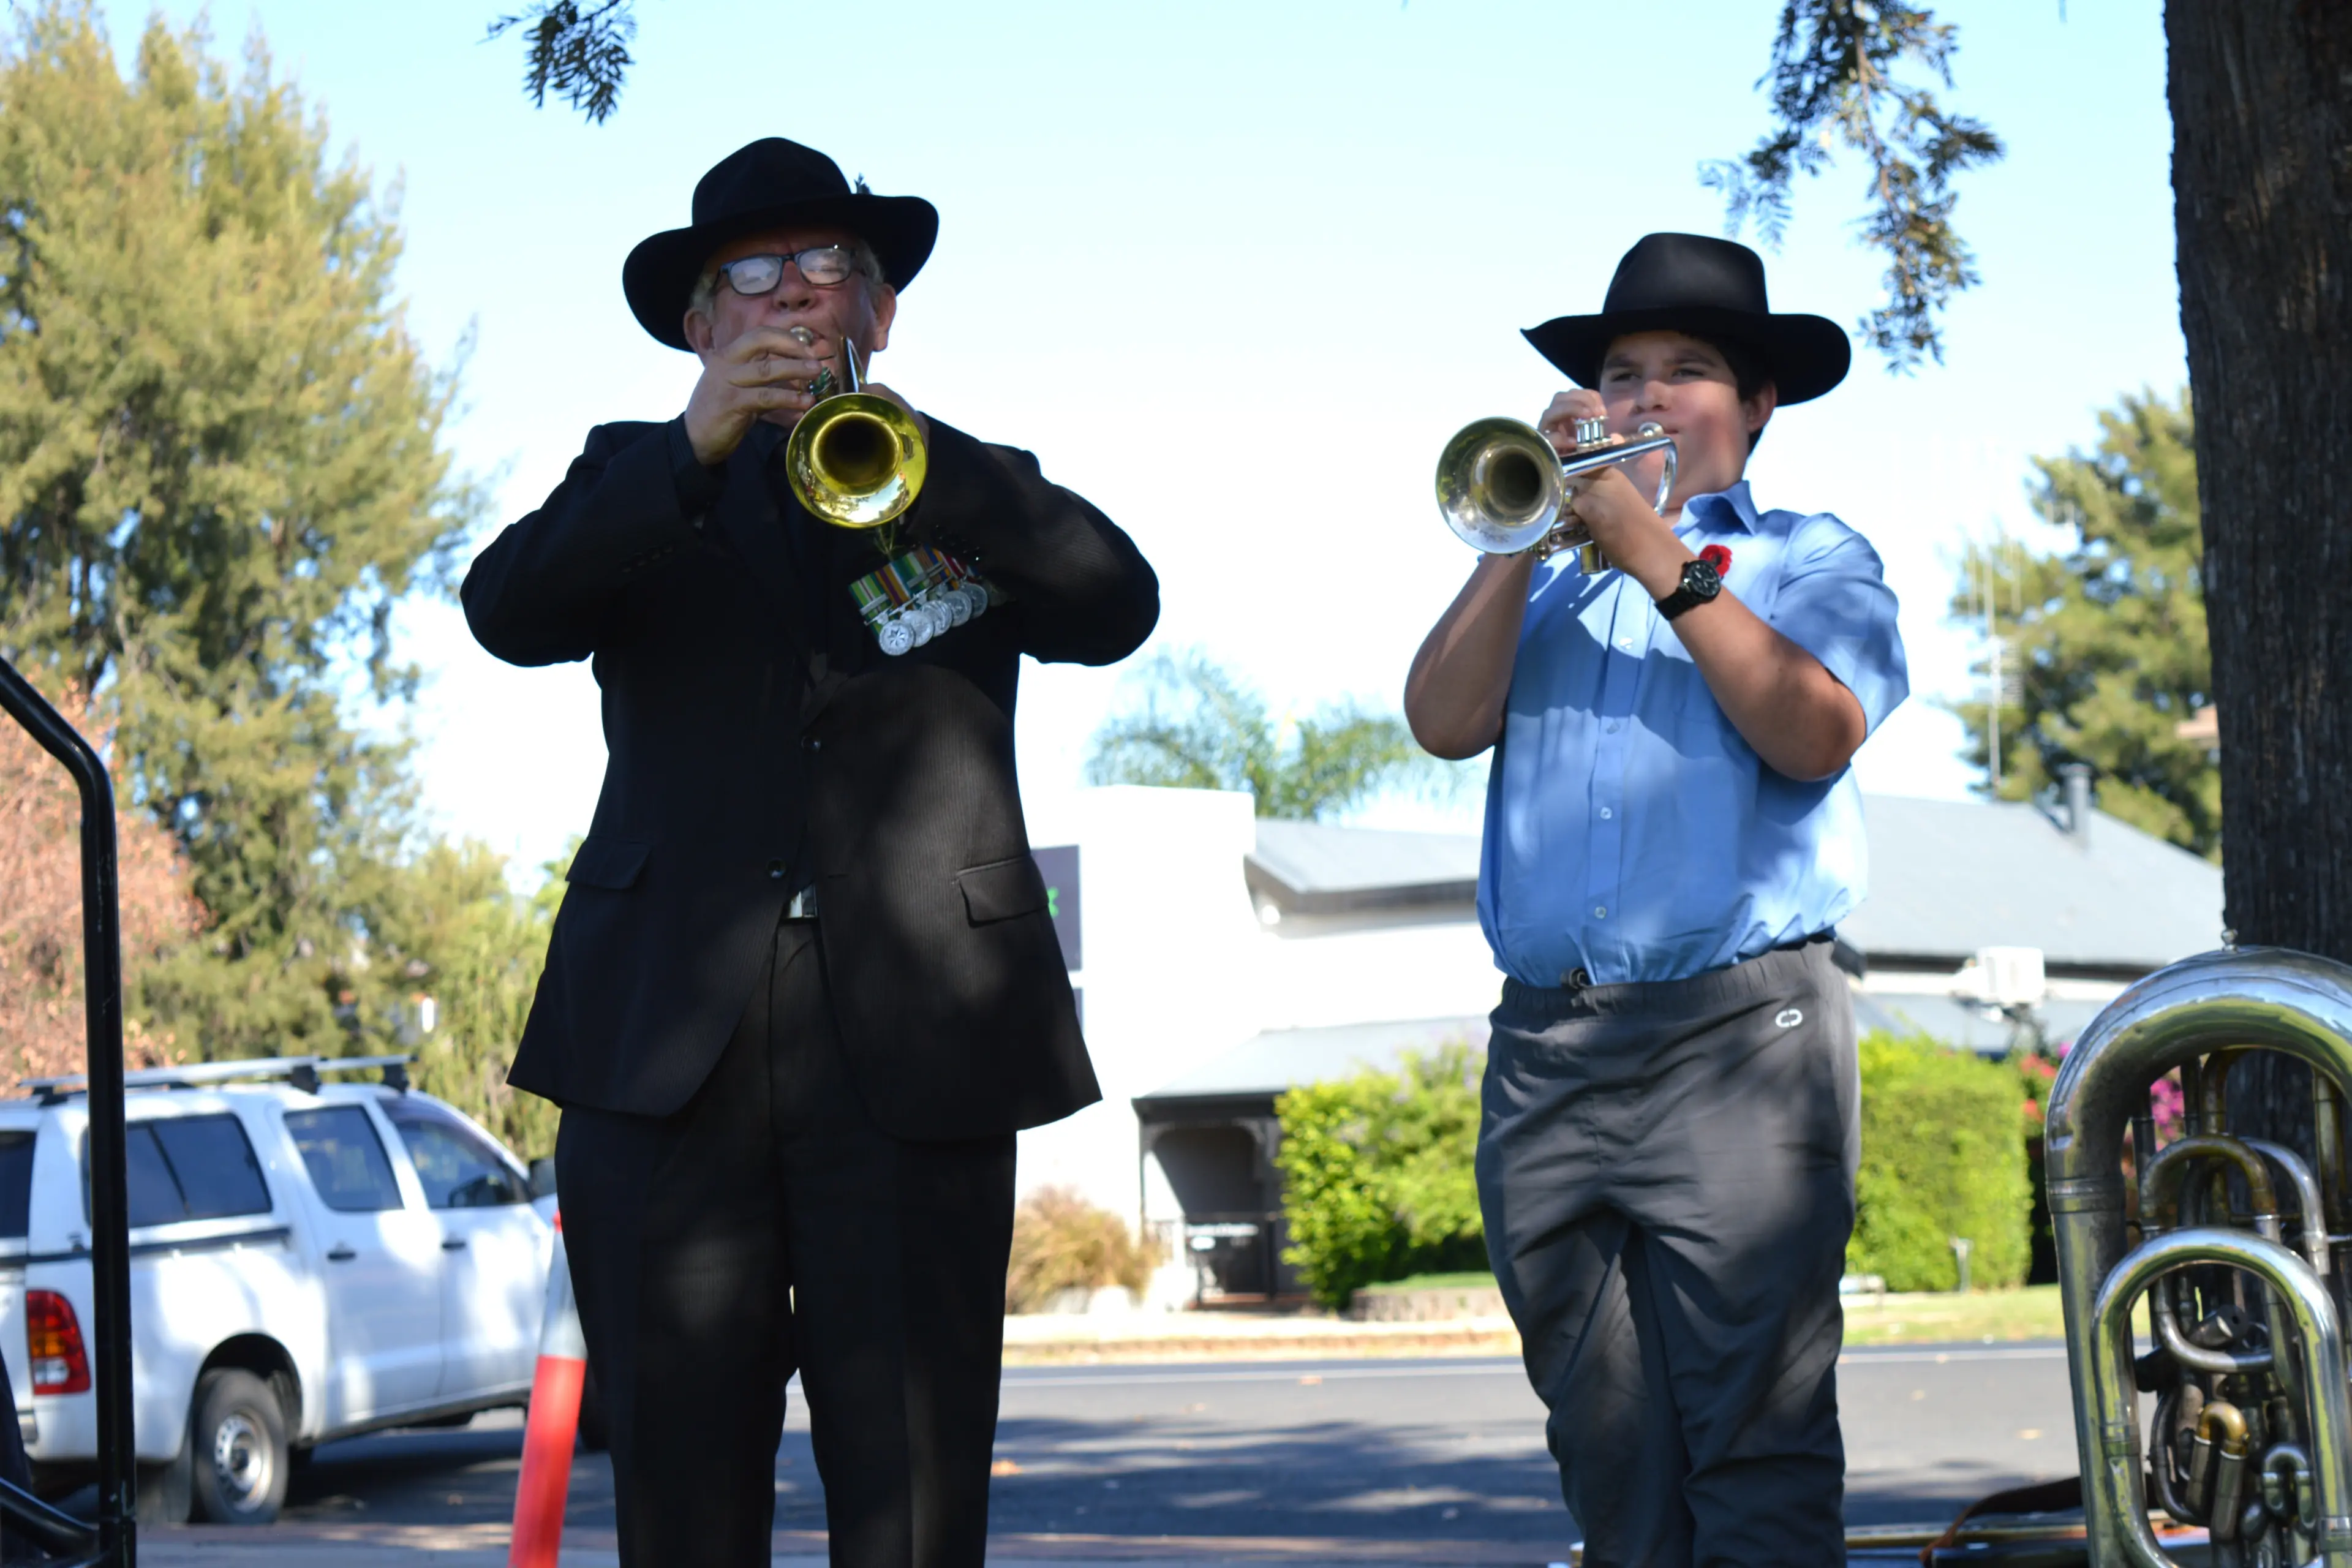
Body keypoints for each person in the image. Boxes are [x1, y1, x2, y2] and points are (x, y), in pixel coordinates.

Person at [462, 137, 1159, 1568]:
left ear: (882, 314)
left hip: (916, 1052)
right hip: (666, 1052)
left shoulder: (971, 488)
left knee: (911, 1501)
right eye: (752, 279)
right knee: (680, 1501)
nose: (792, 300)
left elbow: (1119, 602)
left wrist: (936, 468)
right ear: (696, 324)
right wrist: (689, 454)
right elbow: (506, 610)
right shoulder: (631, 485)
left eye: (829, 269)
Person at [1403, 232, 1909, 1567]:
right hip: (1550, 1049)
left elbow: (1815, 731)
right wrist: (1521, 535)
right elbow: (1440, 718)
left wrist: (1658, 553)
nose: (1643, 396)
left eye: (1689, 371)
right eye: (1622, 373)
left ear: (1757, 407)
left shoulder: (1812, 554)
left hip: (1741, 1040)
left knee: (1757, 1437)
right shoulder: (1547, 573)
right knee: (1606, 1446)